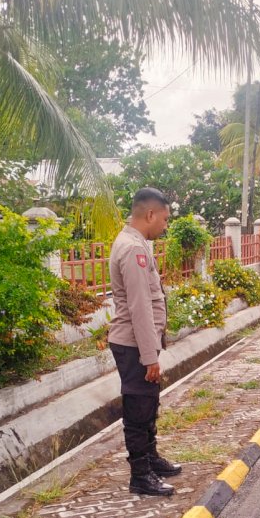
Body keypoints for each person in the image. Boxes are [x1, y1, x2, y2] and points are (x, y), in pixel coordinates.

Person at [108, 187, 182, 496]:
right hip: (134, 345)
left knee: (149, 404)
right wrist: (149, 357)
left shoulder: (137, 243)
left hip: (139, 344)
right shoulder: (133, 249)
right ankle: (140, 475)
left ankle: (151, 459)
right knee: (138, 410)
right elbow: (140, 307)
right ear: (149, 214)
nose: (166, 226)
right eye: (164, 219)